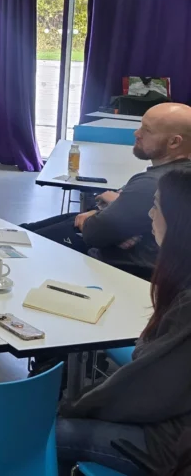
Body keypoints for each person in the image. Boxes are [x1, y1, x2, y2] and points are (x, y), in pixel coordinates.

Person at [55, 168, 191, 475]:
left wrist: (72, 408)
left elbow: (145, 391)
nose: (149, 213)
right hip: (172, 420)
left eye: (156, 207)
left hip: (171, 444)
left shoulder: (186, 302)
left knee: (45, 432)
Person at [23, 103, 191, 274]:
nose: (137, 133)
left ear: (174, 142)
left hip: (114, 264)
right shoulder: (175, 174)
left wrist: (103, 217)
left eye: (147, 130)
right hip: (118, 244)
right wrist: (113, 210)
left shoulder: (154, 183)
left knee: (22, 242)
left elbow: (94, 233)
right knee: (25, 230)